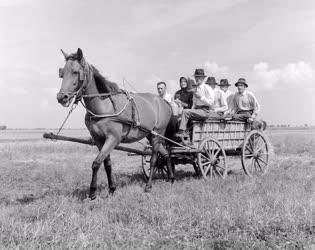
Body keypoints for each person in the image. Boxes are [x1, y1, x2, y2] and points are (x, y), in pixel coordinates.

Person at [177, 69, 214, 140]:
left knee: (185, 111)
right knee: (181, 116)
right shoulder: (196, 89)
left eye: (199, 77)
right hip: (197, 110)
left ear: (203, 78)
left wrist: (201, 97)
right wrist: (191, 110)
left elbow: (211, 103)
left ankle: (181, 132)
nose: (197, 79)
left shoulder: (207, 88)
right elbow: (194, 103)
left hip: (205, 111)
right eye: (196, 77)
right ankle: (188, 138)